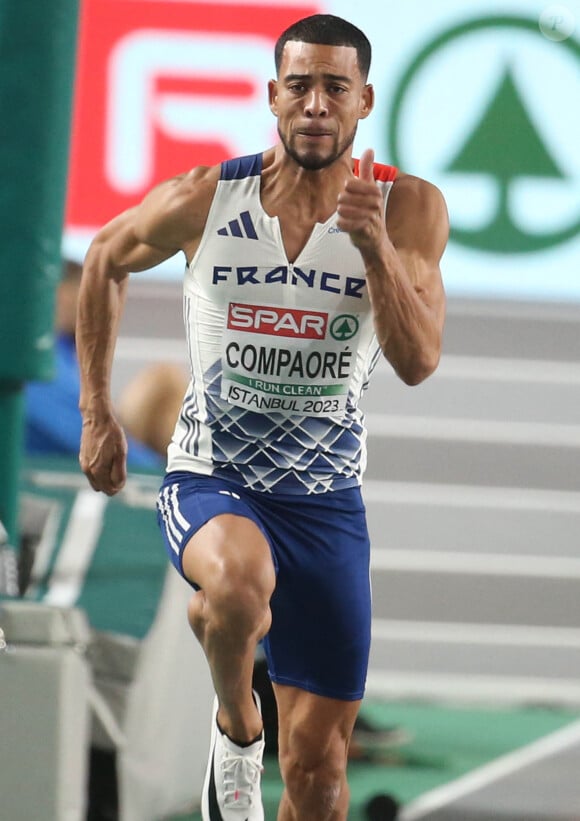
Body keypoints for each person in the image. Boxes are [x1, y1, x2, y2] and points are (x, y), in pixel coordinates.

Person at [77, 13, 447, 821]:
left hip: (325, 504)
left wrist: (375, 247)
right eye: (300, 86)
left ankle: (265, 746)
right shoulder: (208, 196)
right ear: (273, 95)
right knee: (241, 584)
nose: (316, 104)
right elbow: (104, 257)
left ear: (364, 101)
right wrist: (97, 411)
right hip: (214, 476)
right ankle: (238, 726)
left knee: (317, 779)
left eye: (334, 88)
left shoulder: (409, 207)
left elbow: (419, 361)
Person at [25, 259, 186, 469]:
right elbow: (87, 435)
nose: (103, 311)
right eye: (91, 298)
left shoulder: (61, 362)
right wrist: (165, 475)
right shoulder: (43, 367)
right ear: (62, 295)